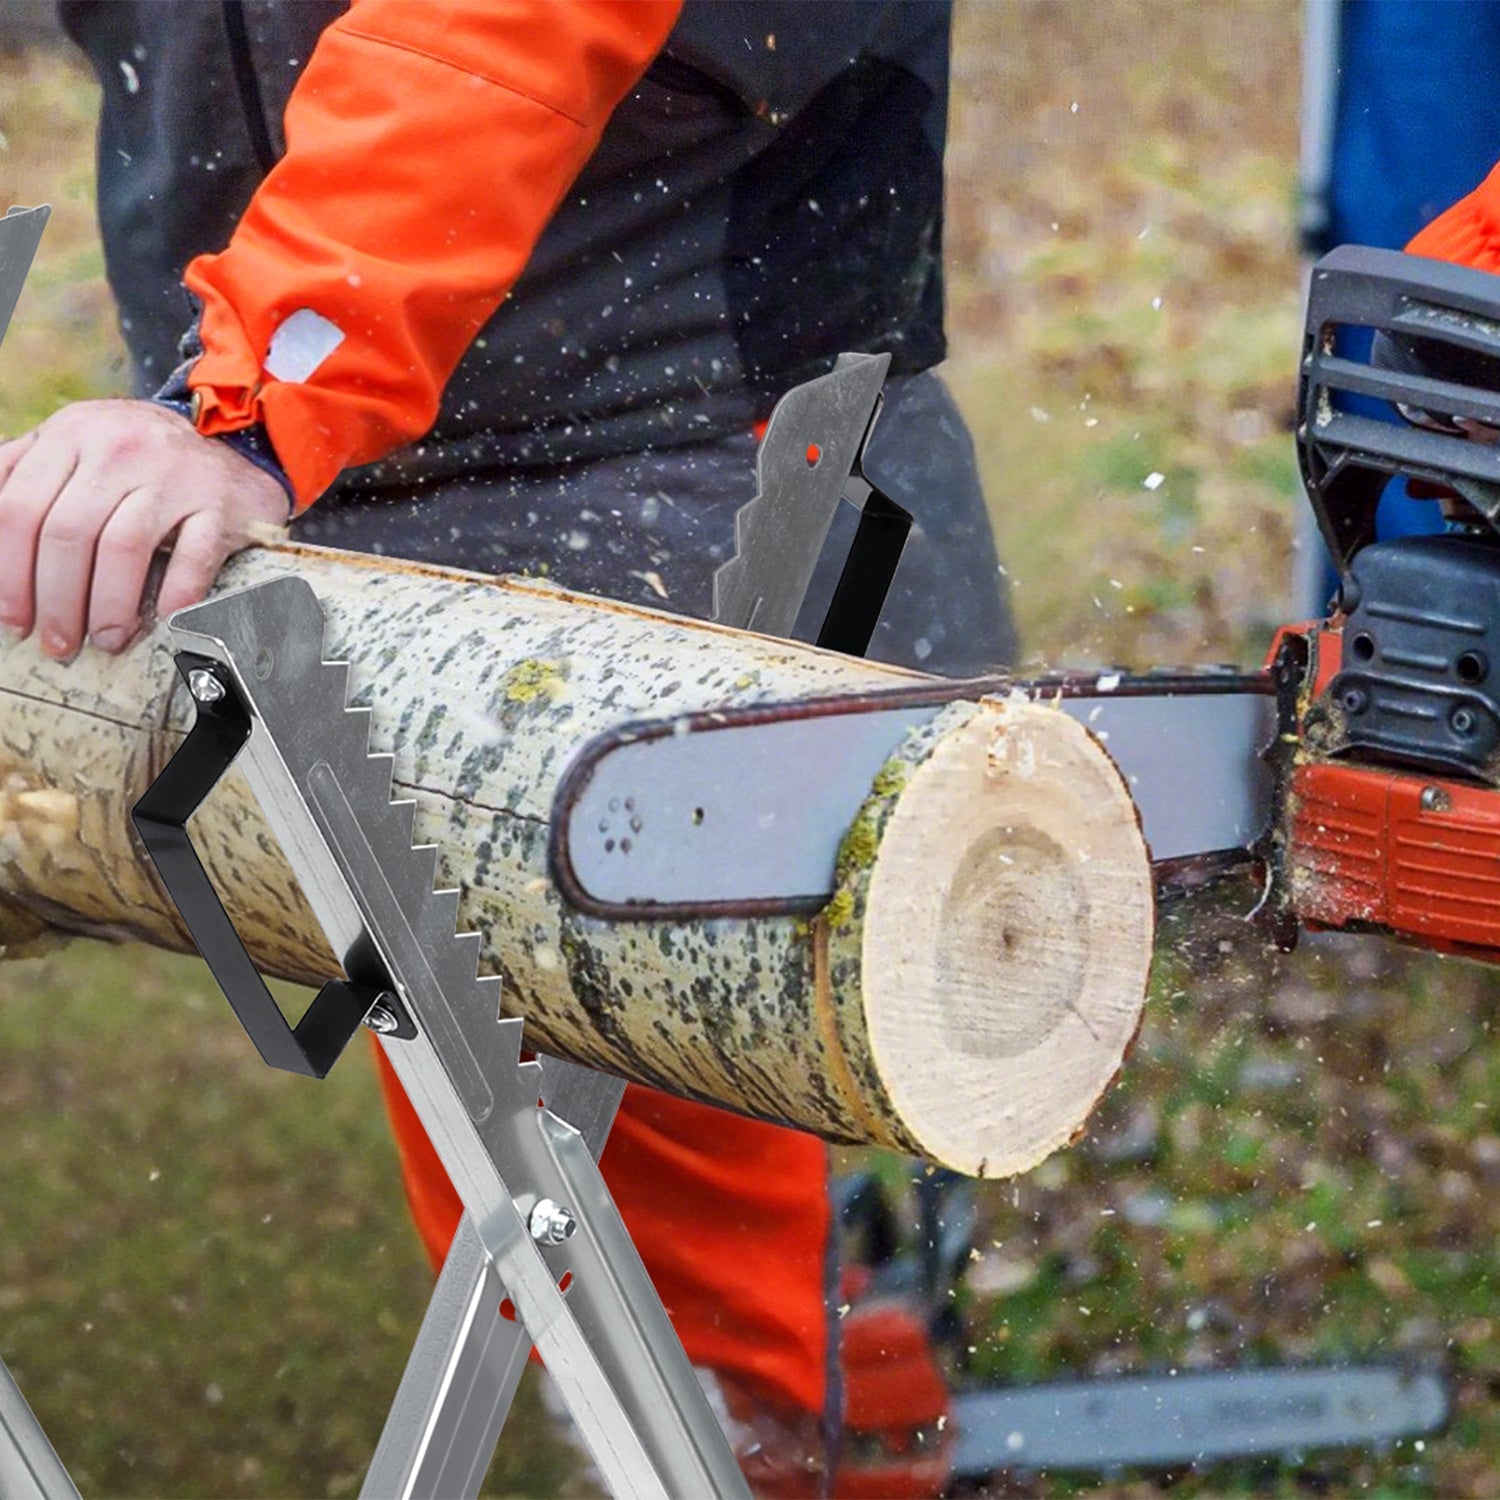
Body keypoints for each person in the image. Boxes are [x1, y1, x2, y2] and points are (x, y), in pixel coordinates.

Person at [3, 2, 1015, 1490]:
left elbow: (493, 33)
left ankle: (793, 1419)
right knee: (511, 1110)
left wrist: (260, 386)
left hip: (670, 405)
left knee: (619, 1105)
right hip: (330, 450)